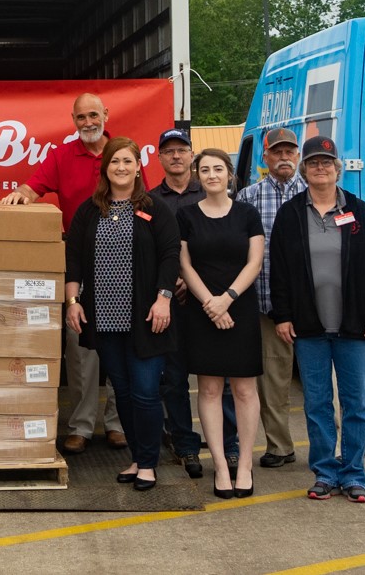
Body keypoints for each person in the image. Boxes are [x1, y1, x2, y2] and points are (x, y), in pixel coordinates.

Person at [3, 92, 153, 453]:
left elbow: (144, 203)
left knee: (124, 342)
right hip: (81, 262)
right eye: (80, 117)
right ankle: (82, 426)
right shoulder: (60, 156)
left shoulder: (122, 153)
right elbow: (30, 187)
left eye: (93, 115)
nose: (88, 122)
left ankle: (117, 424)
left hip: (125, 262)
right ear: (74, 121)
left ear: (106, 114)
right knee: (81, 347)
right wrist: (18, 197)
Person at [271, 135, 365, 504]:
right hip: (309, 327)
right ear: (303, 170)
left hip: (355, 326)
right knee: (317, 403)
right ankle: (325, 472)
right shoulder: (291, 214)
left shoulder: (360, 211)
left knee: (357, 402)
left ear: (337, 168)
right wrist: (283, 316)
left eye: (327, 162)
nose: (320, 168)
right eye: (313, 162)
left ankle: (354, 473)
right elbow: (278, 270)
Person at [66, 136, 180, 491]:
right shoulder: (89, 211)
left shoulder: (154, 208)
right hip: (104, 318)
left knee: (146, 391)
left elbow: (170, 255)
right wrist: (73, 302)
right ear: (106, 168)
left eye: (128, 161)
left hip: (146, 318)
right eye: (115, 162)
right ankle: (136, 456)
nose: (121, 168)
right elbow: (74, 262)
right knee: (124, 392)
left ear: (137, 167)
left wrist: (164, 299)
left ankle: (148, 463)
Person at [175, 149, 266, 498]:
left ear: (230, 174)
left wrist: (226, 299)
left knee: (244, 390)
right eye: (205, 170)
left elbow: (254, 262)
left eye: (218, 168)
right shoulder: (186, 216)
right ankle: (220, 467)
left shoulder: (247, 213)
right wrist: (210, 304)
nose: (212, 175)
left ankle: (244, 464)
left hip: (239, 308)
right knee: (210, 390)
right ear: (198, 175)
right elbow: (185, 265)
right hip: (201, 310)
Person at [239, 126, 307, 469]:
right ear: (265, 158)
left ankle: (335, 447)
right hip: (266, 306)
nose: (284, 157)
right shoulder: (248, 198)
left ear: (298, 155)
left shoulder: (318, 194)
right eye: (277, 152)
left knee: (323, 382)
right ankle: (280, 446)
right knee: (274, 382)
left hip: (314, 308)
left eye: (289, 151)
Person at [146, 128, 207, 476]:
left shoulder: (211, 192)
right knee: (174, 379)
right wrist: (171, 284)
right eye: (168, 151)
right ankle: (185, 443)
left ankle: (226, 444)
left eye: (181, 150)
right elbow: (153, 252)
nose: (175, 156)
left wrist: (194, 280)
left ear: (191, 154)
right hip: (171, 300)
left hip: (208, 300)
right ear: (160, 158)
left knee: (218, 378)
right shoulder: (152, 200)